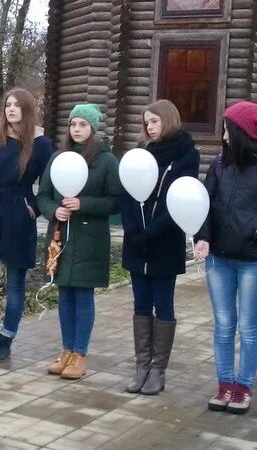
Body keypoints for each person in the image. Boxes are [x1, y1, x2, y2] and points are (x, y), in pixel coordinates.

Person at [120, 99, 200, 395]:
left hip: (164, 242)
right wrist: (132, 230)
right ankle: (141, 366)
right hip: (136, 242)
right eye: (146, 122)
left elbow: (179, 199)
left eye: (154, 121)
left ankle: (158, 371)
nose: (150, 127)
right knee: (140, 304)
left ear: (168, 120)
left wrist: (151, 233)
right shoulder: (140, 154)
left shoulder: (186, 155)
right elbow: (126, 194)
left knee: (163, 303)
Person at [36, 104, 121, 379]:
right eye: (74, 124)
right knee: (64, 295)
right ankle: (67, 351)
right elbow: (44, 194)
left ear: (93, 128)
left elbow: (116, 201)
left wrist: (83, 204)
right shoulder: (58, 158)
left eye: (83, 125)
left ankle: (80, 354)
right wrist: (53, 211)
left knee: (83, 295)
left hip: (90, 238)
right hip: (61, 237)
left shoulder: (107, 161)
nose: (77, 129)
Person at [0, 88, 53, 362]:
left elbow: (49, 185)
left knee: (15, 283)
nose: (11, 109)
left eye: (17, 105)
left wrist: (34, 208)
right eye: (8, 105)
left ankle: (6, 338)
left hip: (20, 214)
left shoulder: (40, 144)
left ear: (26, 110)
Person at [195, 101, 257, 414]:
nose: (224, 132)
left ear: (241, 131)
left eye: (228, 126)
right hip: (218, 258)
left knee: (248, 327)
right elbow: (204, 204)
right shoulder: (219, 164)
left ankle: (243, 387)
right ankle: (225, 385)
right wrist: (202, 238)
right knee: (222, 324)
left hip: (252, 261)